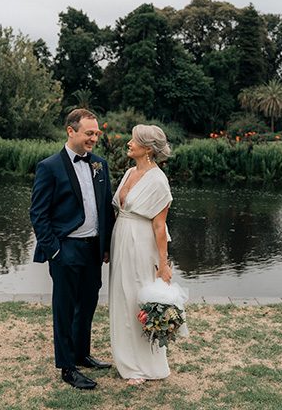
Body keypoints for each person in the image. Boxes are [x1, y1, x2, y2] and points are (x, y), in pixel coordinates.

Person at [29, 109, 115, 390]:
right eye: (89, 133)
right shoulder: (49, 166)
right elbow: (38, 214)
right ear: (71, 131)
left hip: (93, 250)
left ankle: (82, 354)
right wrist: (53, 250)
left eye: (97, 134)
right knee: (64, 309)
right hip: (65, 249)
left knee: (87, 304)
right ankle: (67, 367)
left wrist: (106, 246)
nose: (94, 138)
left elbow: (105, 207)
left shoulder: (100, 164)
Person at [109, 124, 173, 385]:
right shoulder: (128, 173)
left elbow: (159, 226)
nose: (128, 143)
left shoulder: (158, 180)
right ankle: (125, 360)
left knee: (137, 298)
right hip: (121, 238)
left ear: (147, 148)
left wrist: (163, 264)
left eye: (133, 140)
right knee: (121, 298)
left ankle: (143, 366)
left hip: (140, 243)